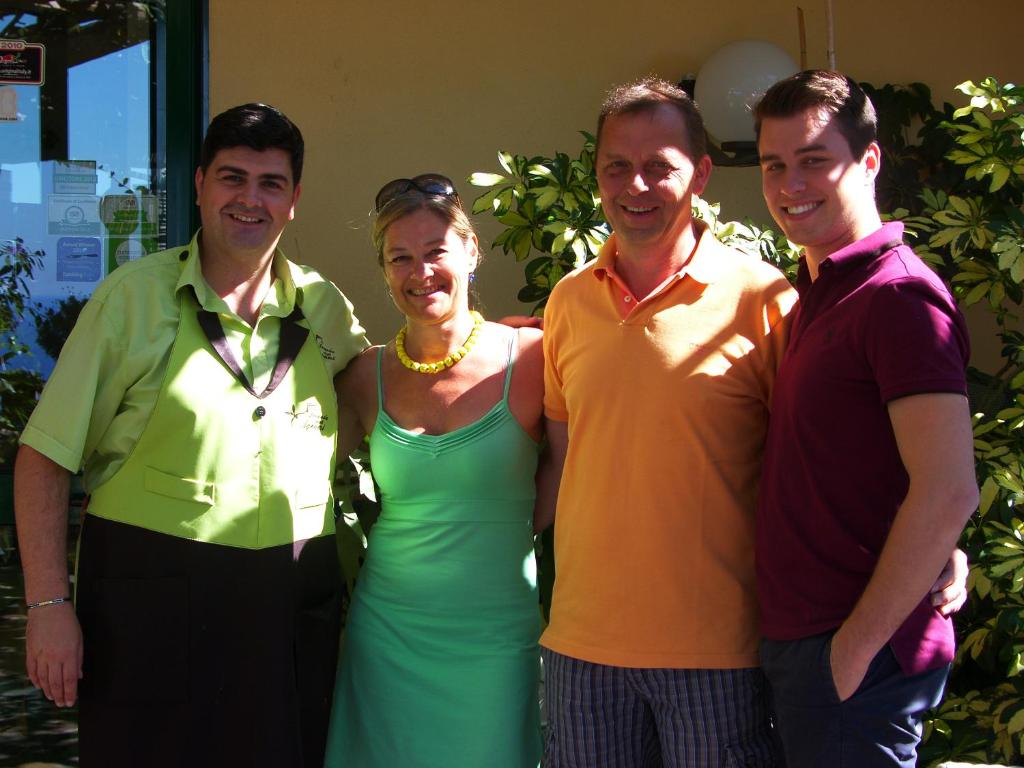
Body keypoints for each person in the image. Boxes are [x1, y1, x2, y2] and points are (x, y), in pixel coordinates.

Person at [15, 103, 367, 768]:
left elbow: (384, 396)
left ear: (294, 200)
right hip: (150, 605)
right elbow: (43, 458)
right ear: (200, 184)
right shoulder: (130, 300)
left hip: (289, 605)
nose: (250, 199)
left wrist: (490, 352)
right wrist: (48, 604)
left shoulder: (324, 306)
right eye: (233, 177)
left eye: (270, 183)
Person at [536, 77, 794, 767]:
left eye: (659, 166)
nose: (636, 185)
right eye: (617, 166)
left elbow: (807, 467)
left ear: (701, 174)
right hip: (582, 650)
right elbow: (563, 460)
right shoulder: (568, 301)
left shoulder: (762, 299)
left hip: (717, 653)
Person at [754, 70, 978, 767]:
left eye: (813, 160)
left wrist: (851, 654)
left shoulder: (898, 297)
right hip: (811, 647)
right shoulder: (821, 292)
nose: (790, 184)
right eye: (773, 165)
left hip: (854, 657)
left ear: (870, 160)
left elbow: (948, 490)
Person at [324, 174, 545, 767]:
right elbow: (291, 463)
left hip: (496, 636)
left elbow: (577, 471)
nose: (420, 272)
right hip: (386, 634)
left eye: (435, 251)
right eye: (400, 257)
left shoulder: (533, 361)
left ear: (471, 252)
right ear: (384, 270)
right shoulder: (363, 376)